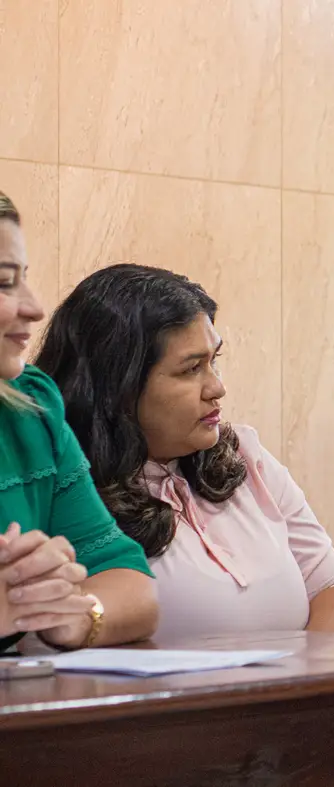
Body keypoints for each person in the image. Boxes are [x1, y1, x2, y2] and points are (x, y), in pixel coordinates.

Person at [35, 264, 334, 639]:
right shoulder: (65, 490)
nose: (217, 388)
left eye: (213, 361)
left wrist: (301, 672)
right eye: (191, 369)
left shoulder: (244, 454)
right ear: (118, 386)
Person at [0, 190, 159, 653]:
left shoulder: (30, 408)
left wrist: (72, 614)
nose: (34, 307)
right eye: (4, 283)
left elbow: (132, 586)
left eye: (24, 278)